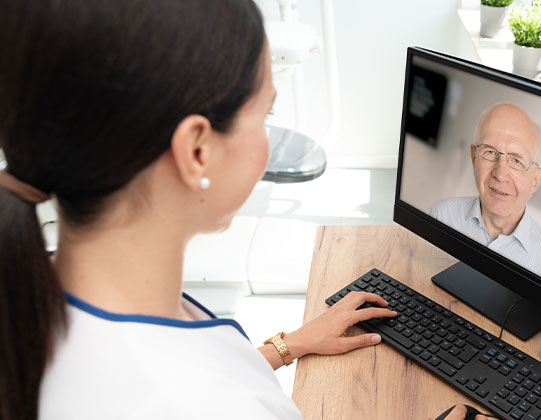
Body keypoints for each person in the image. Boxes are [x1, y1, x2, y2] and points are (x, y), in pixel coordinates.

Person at [0, 2, 412, 419]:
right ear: (197, 150)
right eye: (264, 115)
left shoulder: (30, 283)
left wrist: (287, 347)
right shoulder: (223, 405)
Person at [429, 103, 541, 302]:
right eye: (489, 152)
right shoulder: (440, 217)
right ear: (473, 157)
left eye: (516, 161)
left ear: (536, 180)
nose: (500, 174)